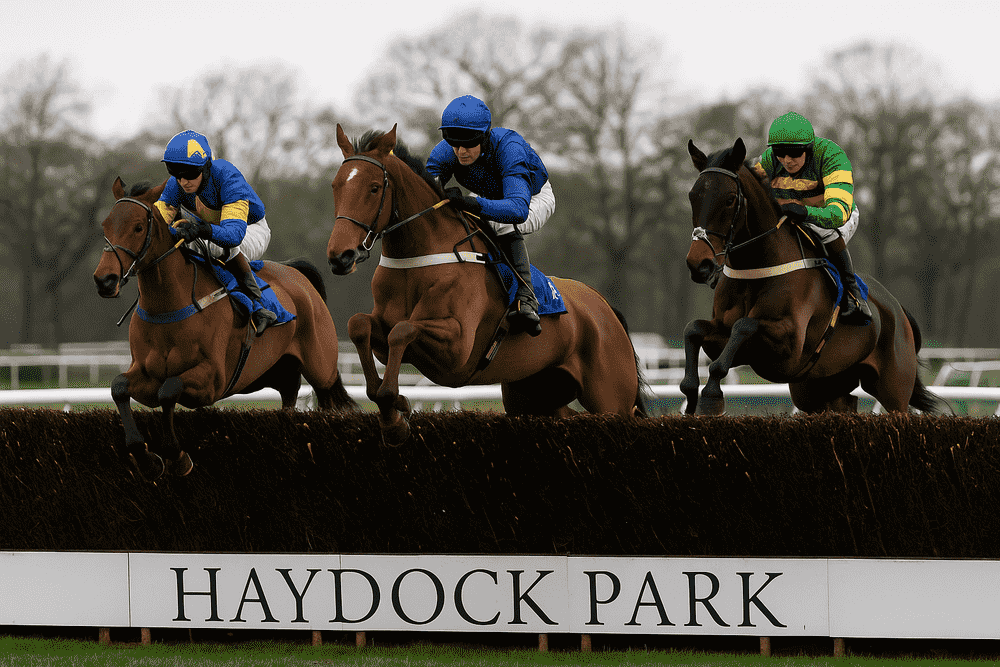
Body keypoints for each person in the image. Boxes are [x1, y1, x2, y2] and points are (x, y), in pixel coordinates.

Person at [425, 95, 556, 337]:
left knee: (502, 224)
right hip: (491, 197)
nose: (461, 152)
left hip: (532, 198)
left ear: (484, 138)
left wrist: (471, 202)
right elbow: (423, 194)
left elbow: (517, 209)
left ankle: (526, 297)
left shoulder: (510, 147)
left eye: (468, 144)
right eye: (454, 144)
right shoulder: (447, 152)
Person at [752, 111, 873, 324]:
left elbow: (838, 213)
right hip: (790, 215)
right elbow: (746, 181)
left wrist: (807, 212)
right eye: (780, 152)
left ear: (808, 149)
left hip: (833, 217)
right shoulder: (770, 160)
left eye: (794, 153)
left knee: (823, 231)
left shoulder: (832, 157)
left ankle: (853, 296)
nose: (787, 161)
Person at [153, 130, 277, 336]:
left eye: (190, 173)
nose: (184, 182)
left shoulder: (227, 175)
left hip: (251, 229)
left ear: (206, 167)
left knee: (217, 246)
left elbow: (234, 235)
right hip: (213, 231)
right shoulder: (176, 185)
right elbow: (157, 225)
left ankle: (258, 305)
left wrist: (201, 229)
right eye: (176, 173)